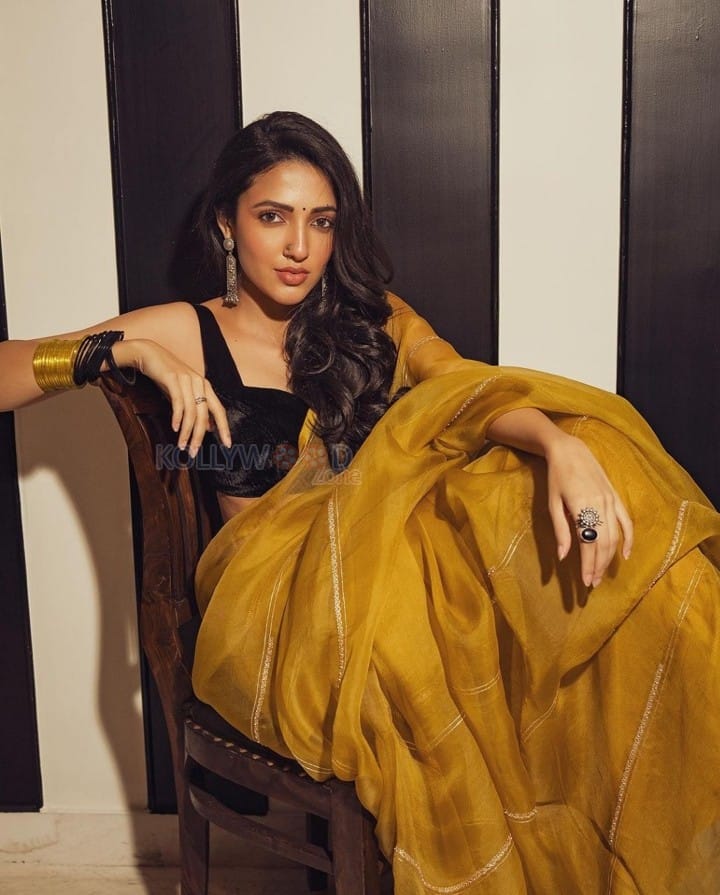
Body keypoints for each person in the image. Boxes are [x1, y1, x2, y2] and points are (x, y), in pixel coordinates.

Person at [1, 111, 718, 894]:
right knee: (436, 568)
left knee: (542, 472)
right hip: (274, 612)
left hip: (393, 583)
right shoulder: (186, 328)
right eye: (272, 217)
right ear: (227, 225)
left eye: (321, 221)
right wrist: (128, 350)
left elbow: (460, 388)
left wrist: (557, 446)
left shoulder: (373, 319)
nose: (299, 247)